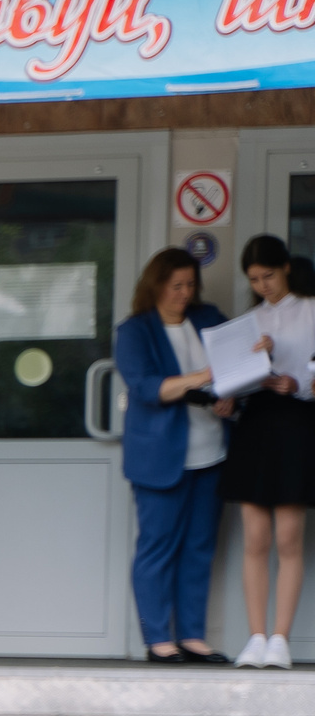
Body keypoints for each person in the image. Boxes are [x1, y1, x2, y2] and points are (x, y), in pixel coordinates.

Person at [113, 248, 234, 664]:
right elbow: (147, 388)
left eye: (190, 285)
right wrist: (201, 377)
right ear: (156, 285)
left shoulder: (209, 319)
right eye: (176, 285)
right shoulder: (135, 331)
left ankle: (192, 637)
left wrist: (229, 397)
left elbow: (233, 372)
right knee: (157, 548)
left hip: (211, 453)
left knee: (199, 548)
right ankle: (157, 639)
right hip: (159, 458)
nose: (184, 293)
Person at [222, 234, 315, 668]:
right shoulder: (249, 321)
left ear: (287, 268)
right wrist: (232, 391)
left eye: (269, 276)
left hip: (297, 421)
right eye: (255, 279)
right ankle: (256, 637)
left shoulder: (311, 309)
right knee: (255, 538)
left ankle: (281, 639)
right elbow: (233, 377)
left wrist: (298, 384)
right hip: (256, 422)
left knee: (288, 537)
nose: (263, 286)